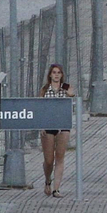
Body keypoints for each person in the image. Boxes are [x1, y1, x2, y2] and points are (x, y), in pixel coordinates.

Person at [38, 64, 72, 198]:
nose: (56, 75)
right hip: (49, 124)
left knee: (60, 156)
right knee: (49, 160)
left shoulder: (66, 87)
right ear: (50, 75)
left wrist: (67, 90)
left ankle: (56, 189)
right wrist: (41, 126)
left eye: (59, 72)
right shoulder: (45, 89)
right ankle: (48, 180)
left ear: (62, 75)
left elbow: (72, 94)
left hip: (63, 124)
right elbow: (39, 107)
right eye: (54, 72)